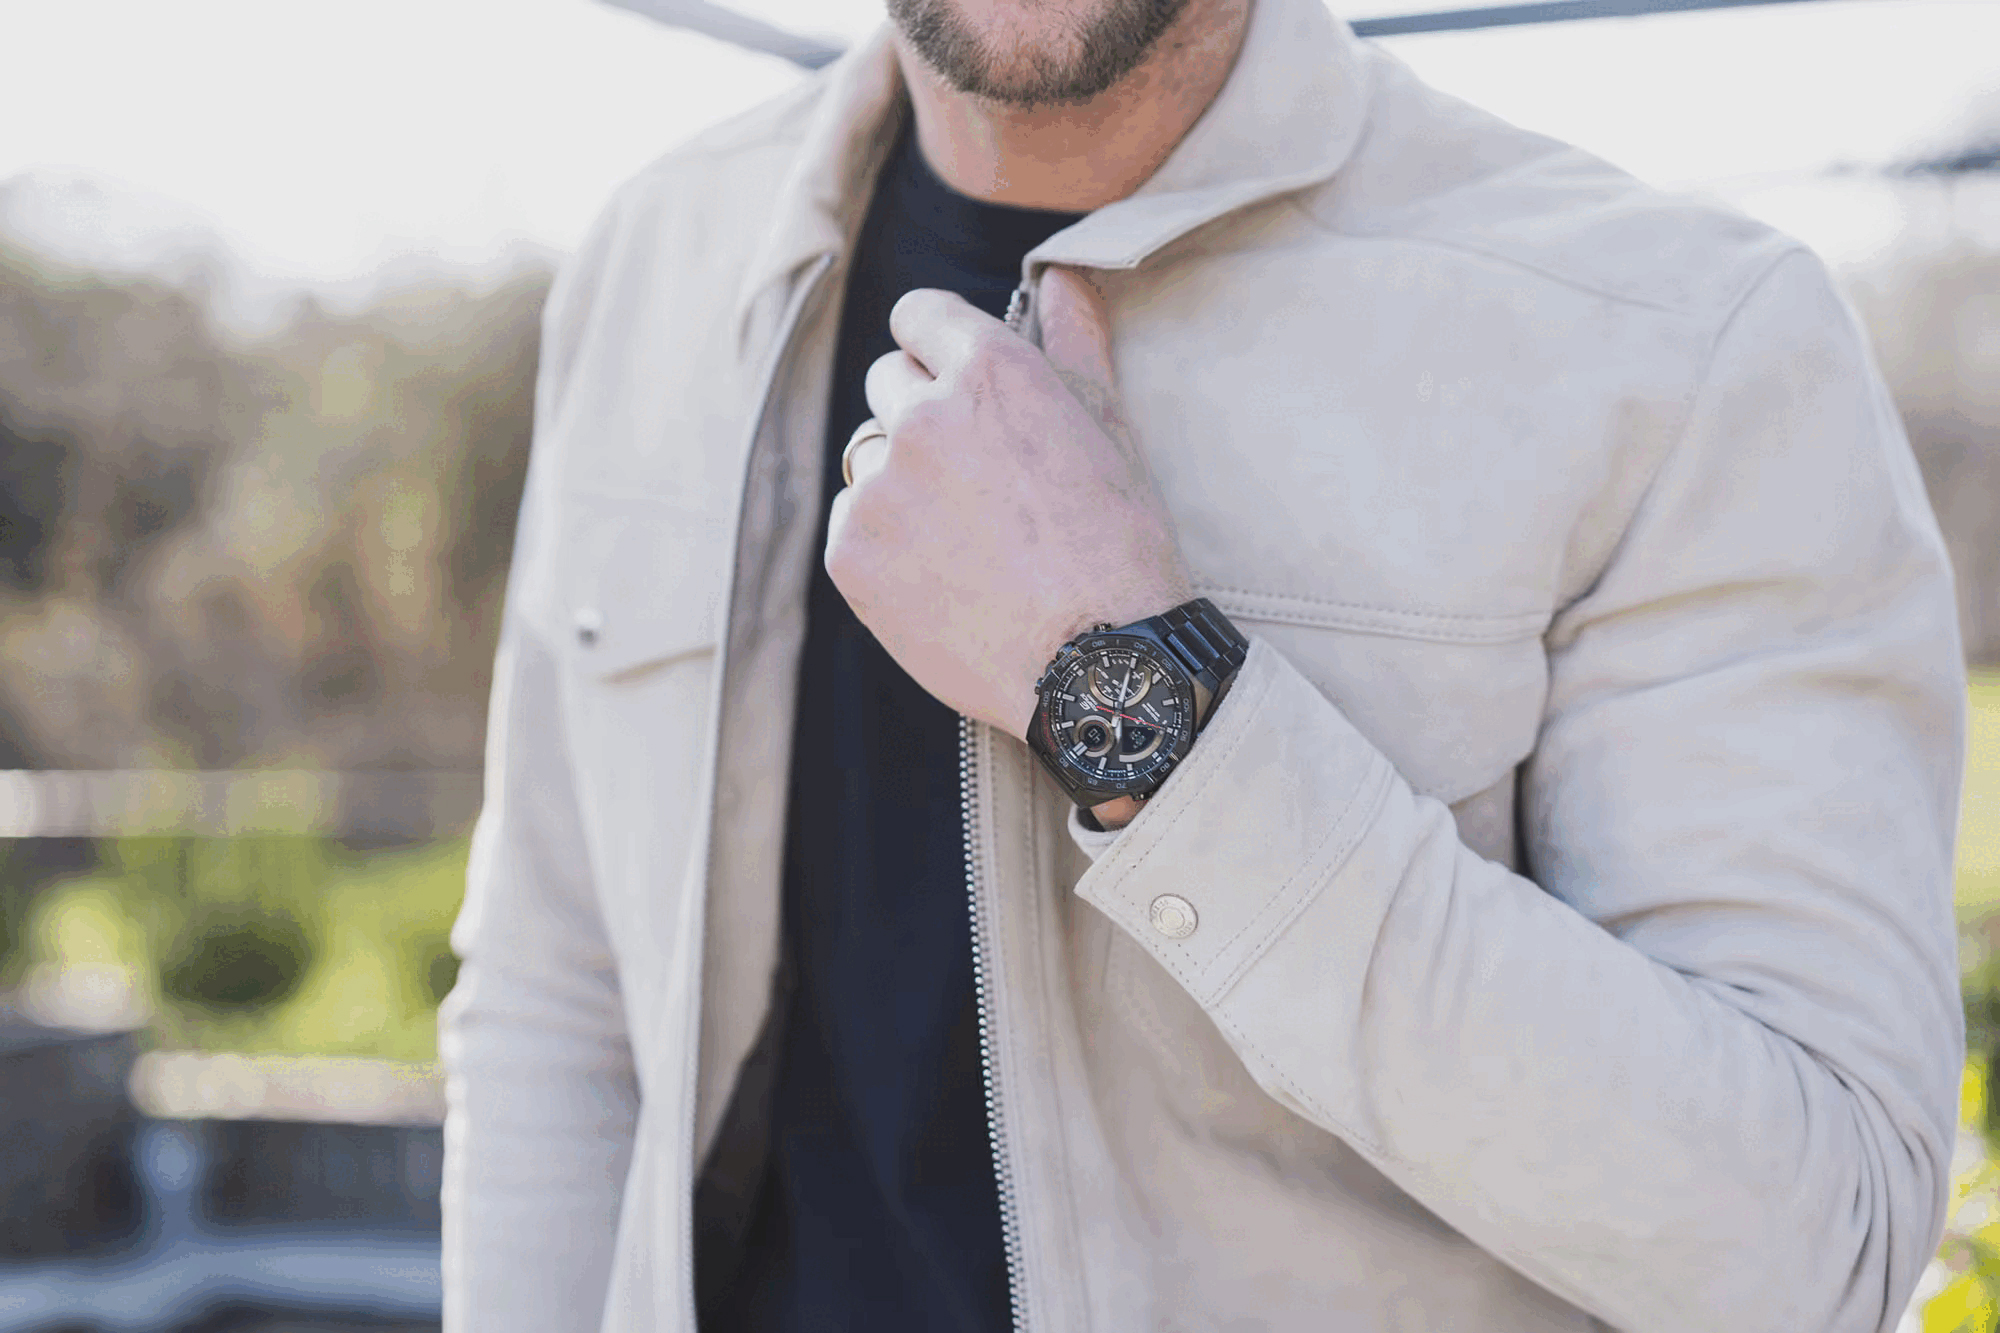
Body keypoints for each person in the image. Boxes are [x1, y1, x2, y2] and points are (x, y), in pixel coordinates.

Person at [440, 0, 1968, 1326]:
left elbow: (1811, 1250)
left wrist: (1129, 689)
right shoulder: (656, 261)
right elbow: (559, 1005)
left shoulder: (1683, 342)